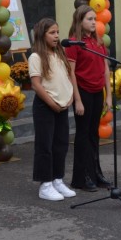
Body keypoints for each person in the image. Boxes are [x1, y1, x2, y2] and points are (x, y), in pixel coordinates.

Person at [66, 5, 113, 191]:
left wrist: (108, 95)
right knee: (83, 135)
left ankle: (96, 173)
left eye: (95, 19)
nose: (94, 22)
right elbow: (71, 74)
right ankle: (81, 177)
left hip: (97, 92)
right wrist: (77, 99)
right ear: (80, 21)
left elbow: (105, 69)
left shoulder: (98, 43)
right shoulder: (73, 43)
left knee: (94, 134)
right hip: (83, 92)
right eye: (89, 19)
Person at [29, 18, 76, 201]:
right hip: (45, 106)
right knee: (45, 146)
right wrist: (51, 103)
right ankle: (45, 184)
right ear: (42, 34)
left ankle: (57, 179)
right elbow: (36, 84)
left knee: (61, 144)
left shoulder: (60, 53)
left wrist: (70, 95)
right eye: (52, 33)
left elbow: (66, 78)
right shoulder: (36, 57)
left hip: (62, 106)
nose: (57, 36)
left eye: (57, 32)